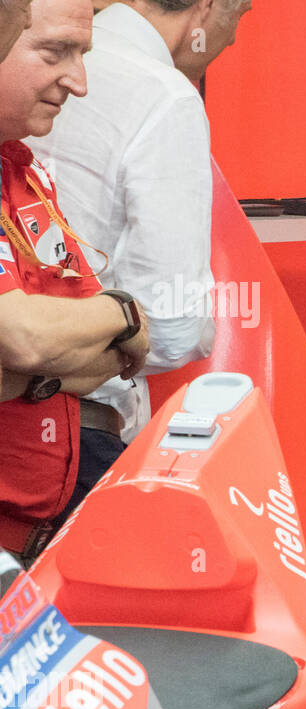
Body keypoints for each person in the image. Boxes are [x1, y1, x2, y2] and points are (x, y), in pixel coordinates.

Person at [27, 0, 250, 516]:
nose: (75, 82)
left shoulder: (53, 78)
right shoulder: (164, 95)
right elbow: (172, 327)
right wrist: (115, 327)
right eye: (244, 14)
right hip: (69, 442)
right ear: (209, 8)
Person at [0, 0, 151, 562]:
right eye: (55, 51)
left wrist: (32, 375)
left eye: (82, 53)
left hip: (42, 541)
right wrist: (127, 309)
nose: (79, 82)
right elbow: (27, 337)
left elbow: (108, 360)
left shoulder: (25, 172)